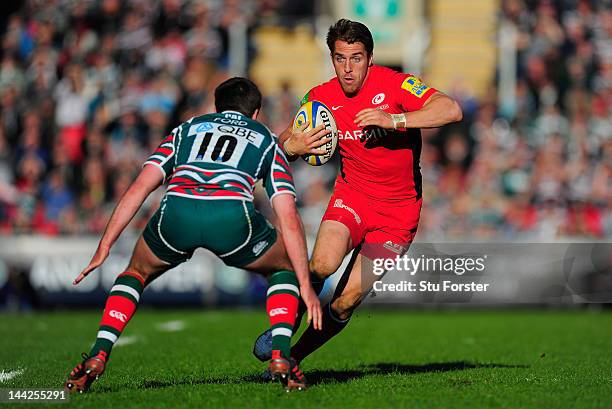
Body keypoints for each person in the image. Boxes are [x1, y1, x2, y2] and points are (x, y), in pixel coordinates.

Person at [64, 77, 324, 393]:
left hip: (176, 212)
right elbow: (289, 217)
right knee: (282, 269)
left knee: (135, 273)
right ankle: (282, 354)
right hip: (230, 216)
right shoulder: (266, 138)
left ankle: (99, 352)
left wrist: (104, 246)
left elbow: (140, 188)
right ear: (256, 112)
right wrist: (306, 286)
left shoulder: (186, 128)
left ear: (216, 107)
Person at [253, 19, 462, 364]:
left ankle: (294, 358)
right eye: (340, 58)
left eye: (356, 58)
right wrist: (293, 146)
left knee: (345, 301)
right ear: (331, 58)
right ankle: (284, 330)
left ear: (370, 57)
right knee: (321, 265)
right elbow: (279, 144)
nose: (348, 69)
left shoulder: (396, 85)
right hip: (353, 197)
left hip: (398, 215)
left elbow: (450, 109)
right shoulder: (320, 97)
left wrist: (392, 120)